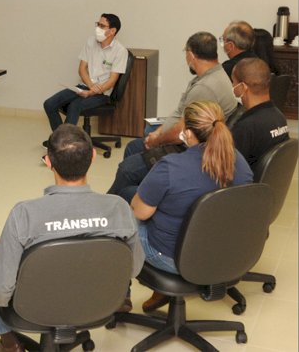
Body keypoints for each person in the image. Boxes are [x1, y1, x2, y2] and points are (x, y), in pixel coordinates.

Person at [0, 125, 143, 352]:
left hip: (33, 307)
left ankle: (8, 342)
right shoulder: (119, 208)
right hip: (98, 303)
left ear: (48, 162)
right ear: (93, 157)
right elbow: (133, 269)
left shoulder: (25, 213)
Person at [131, 101, 253, 312]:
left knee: (124, 219)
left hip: (175, 258)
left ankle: (121, 300)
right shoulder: (240, 162)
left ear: (187, 133)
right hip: (228, 252)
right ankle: (162, 292)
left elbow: (140, 212)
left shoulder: (170, 167)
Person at [107, 32, 238, 203]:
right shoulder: (213, 75)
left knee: (126, 170)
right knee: (133, 147)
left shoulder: (205, 87)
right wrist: (160, 131)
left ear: (191, 55)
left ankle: (109, 211)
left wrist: (157, 140)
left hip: (186, 147)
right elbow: (180, 113)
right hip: (186, 140)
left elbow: (182, 132)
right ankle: (141, 193)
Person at [43, 13, 128, 140]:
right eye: (97, 24)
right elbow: (82, 69)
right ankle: (60, 141)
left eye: (102, 26)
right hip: (84, 86)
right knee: (49, 104)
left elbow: (111, 81)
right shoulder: (90, 41)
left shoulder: (120, 51)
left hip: (102, 93)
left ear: (112, 31)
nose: (97, 28)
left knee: (74, 106)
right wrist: (89, 87)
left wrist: (92, 92)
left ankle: (64, 146)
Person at [231, 58, 289, 172]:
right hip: (267, 186)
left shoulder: (245, 127)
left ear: (242, 87)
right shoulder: (280, 117)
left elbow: (227, 170)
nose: (232, 86)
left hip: (247, 187)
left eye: (233, 82)